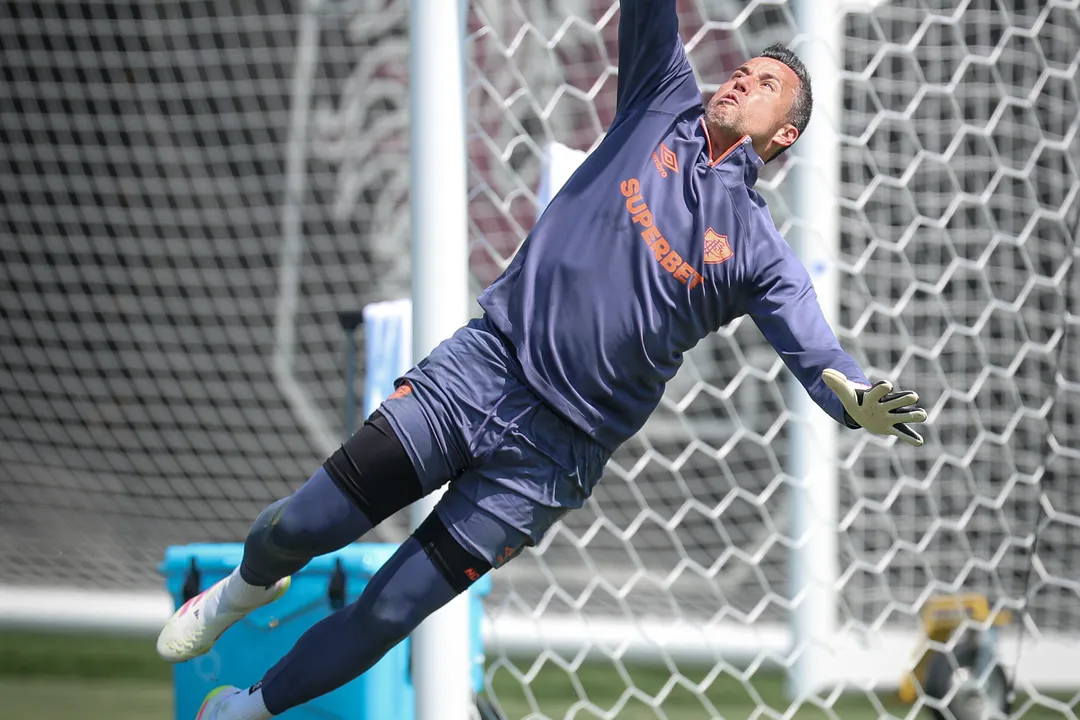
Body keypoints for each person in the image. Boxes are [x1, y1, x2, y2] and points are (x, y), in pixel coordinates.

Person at [158, 1, 929, 717]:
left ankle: (246, 708)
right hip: (480, 372)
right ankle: (241, 591)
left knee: (393, 611)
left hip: (550, 459)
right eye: (741, 69)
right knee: (304, 524)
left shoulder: (759, 251)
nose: (740, 81)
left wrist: (852, 397)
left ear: (783, 134)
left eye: (764, 85)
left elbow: (818, 355)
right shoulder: (662, 102)